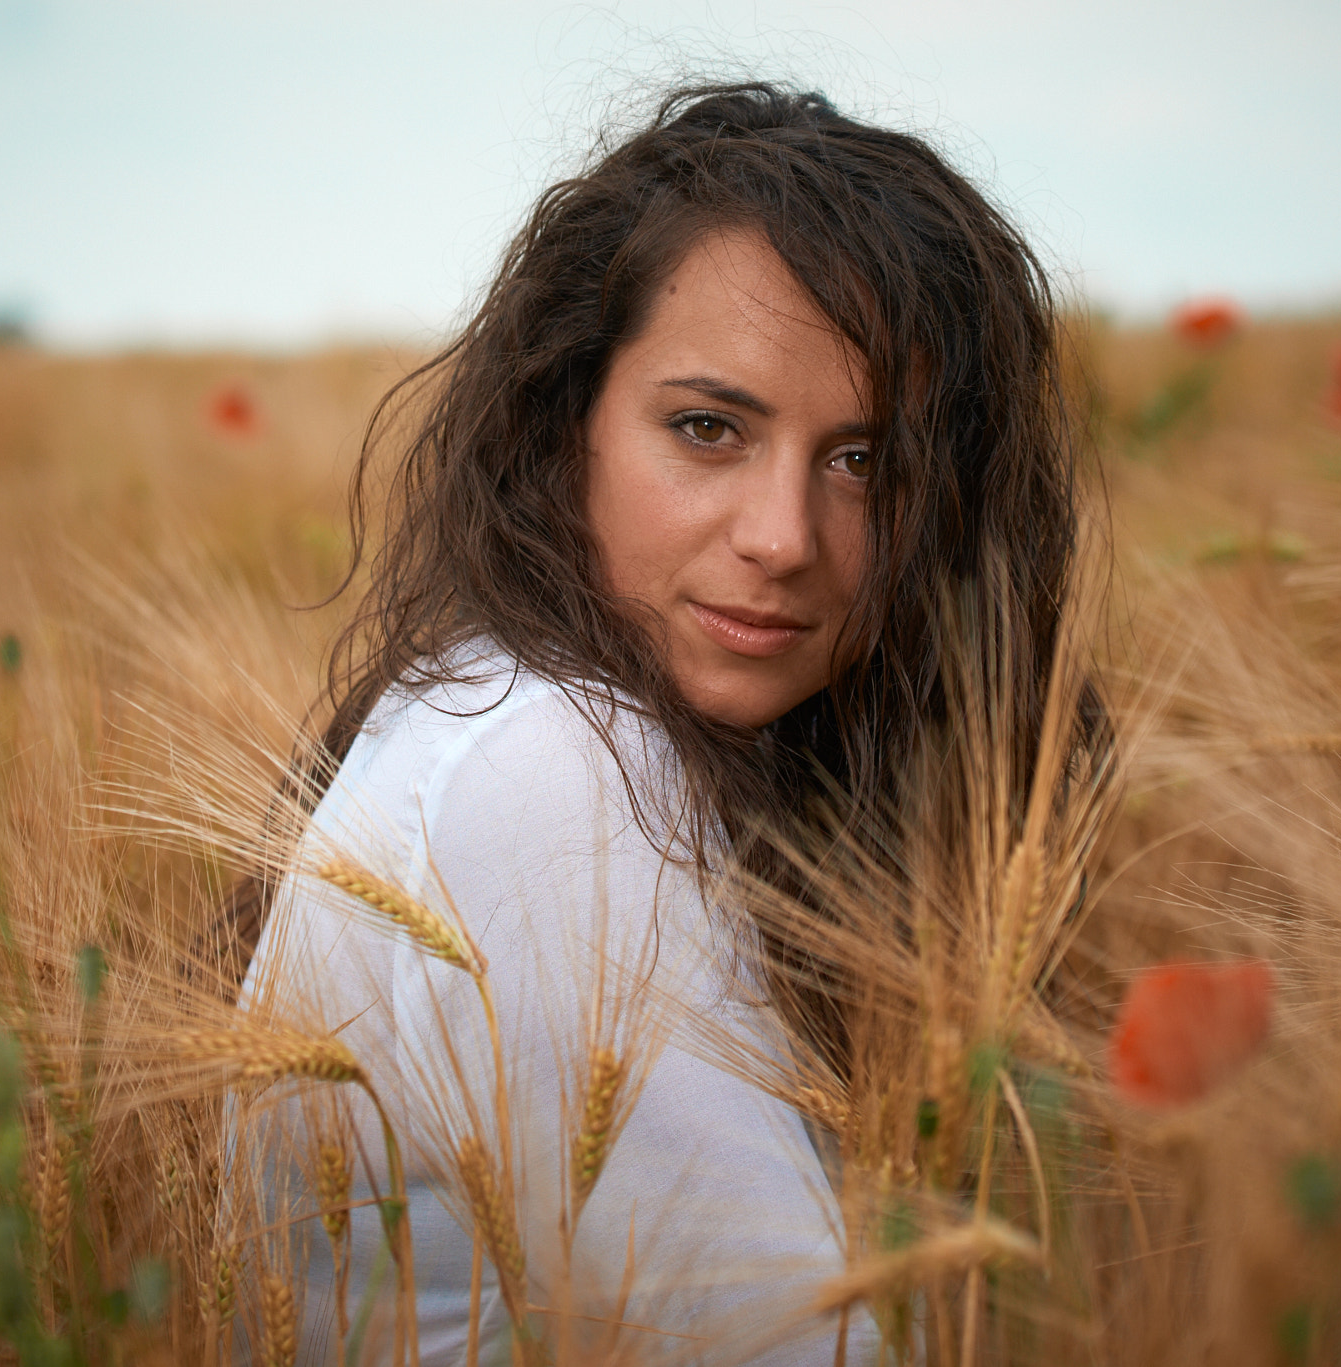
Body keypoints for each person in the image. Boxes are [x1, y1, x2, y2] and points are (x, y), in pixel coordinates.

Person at [233, 81, 1083, 1365]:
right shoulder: (551, 765)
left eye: (865, 461)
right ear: (563, 420)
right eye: (706, 428)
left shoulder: (495, 698)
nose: (783, 538)